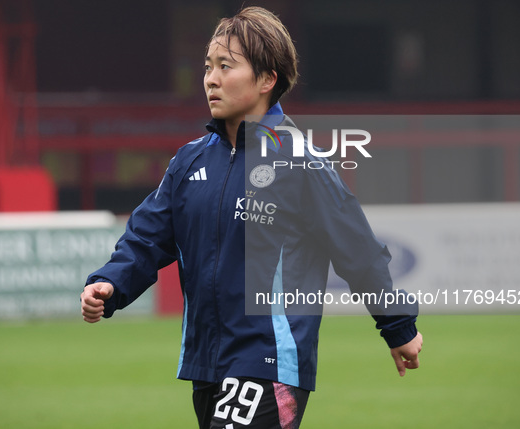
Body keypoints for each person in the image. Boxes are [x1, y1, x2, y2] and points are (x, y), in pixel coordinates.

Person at [81, 6, 423, 429]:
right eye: (208, 66)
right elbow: (146, 237)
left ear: (266, 80)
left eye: (226, 66)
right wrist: (110, 281)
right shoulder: (189, 162)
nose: (210, 78)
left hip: (269, 362)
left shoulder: (300, 163)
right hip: (204, 365)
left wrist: (398, 327)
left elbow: (359, 252)